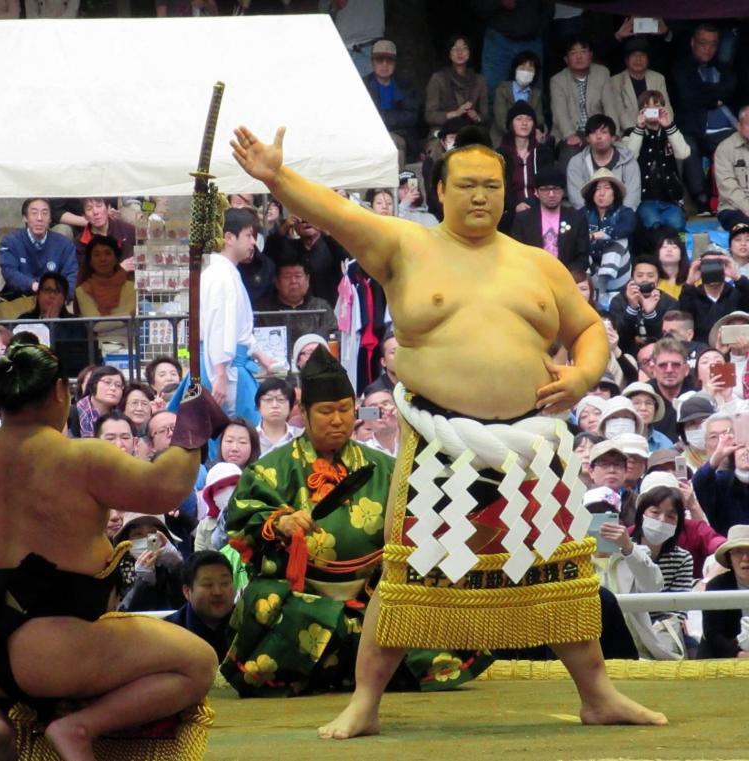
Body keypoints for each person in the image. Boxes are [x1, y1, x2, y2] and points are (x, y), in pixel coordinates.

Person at [230, 123, 665, 737]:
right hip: (440, 446)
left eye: (492, 184)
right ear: (439, 190)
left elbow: (589, 329)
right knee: (406, 576)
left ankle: (597, 694)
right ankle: (365, 703)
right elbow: (334, 213)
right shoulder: (404, 247)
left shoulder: (537, 265)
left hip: (529, 445)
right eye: (466, 185)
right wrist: (277, 177)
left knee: (559, 570)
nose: (480, 195)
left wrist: (582, 374)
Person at [0, 343, 228, 761]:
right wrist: (191, 423)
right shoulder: (78, 456)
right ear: (58, 393)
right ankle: (78, 728)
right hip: (58, 652)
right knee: (198, 663)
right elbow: (167, 487)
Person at [222, 346, 490, 697]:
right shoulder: (272, 468)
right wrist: (279, 522)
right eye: (326, 411)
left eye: (345, 410)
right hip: (305, 594)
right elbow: (242, 518)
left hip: (375, 590)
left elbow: (420, 518)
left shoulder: (384, 466)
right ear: (303, 412)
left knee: (430, 585)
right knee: (265, 597)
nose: (337, 420)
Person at [596, 485, 693, 660]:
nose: (662, 520)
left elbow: (653, 585)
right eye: (594, 516)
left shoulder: (635, 552)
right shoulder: (576, 558)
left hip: (645, 644)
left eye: (671, 516)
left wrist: (627, 548)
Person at [201, 207, 275, 419]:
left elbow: (236, 330)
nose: (253, 242)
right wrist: (221, 374)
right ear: (229, 238)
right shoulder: (221, 276)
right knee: (240, 433)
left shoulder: (225, 273)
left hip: (230, 362)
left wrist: (260, 355)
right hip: (225, 366)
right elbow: (219, 327)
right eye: (249, 235)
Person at [672, 24, 737, 217]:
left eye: (713, 44)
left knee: (738, 146)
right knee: (687, 149)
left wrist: (705, 92)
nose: (707, 49)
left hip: (725, 128)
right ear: (693, 43)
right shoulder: (682, 67)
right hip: (693, 128)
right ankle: (701, 200)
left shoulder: (723, 67)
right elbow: (688, 95)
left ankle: (731, 200)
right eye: (703, 43)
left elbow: (731, 87)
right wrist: (715, 97)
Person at [254, 250, 338, 362]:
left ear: (307, 280)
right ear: (277, 282)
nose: (293, 281)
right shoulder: (263, 310)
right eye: (287, 277)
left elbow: (334, 336)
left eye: (298, 276)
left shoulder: (321, 307)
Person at [625, 90, 689, 232]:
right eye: (647, 107)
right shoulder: (631, 132)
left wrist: (668, 125)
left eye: (657, 106)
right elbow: (629, 156)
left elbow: (684, 153)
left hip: (670, 199)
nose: (652, 110)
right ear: (641, 110)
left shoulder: (671, 131)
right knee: (653, 223)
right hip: (643, 199)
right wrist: (640, 128)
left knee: (677, 224)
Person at [508, 165, 589, 271]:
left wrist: (564, 275)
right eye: (545, 190)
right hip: (533, 276)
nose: (551, 194)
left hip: (566, 277)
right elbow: (516, 254)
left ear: (563, 191)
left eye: (555, 189)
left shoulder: (576, 218)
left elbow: (583, 257)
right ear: (536, 192)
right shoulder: (523, 219)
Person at [0, 198, 78, 300]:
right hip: (18, 299)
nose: (39, 218)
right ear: (25, 218)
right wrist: (35, 286)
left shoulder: (64, 244)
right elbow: (9, 272)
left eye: (44, 213)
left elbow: (71, 276)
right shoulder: (11, 242)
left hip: (54, 299)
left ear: (50, 219)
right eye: (34, 213)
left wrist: (61, 295)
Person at [550, 37, 611, 168]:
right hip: (571, 131)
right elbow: (560, 113)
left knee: (616, 151)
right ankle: (568, 189)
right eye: (573, 53)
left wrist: (612, 131)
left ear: (591, 55)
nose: (579, 56)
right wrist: (569, 135)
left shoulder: (602, 73)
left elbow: (610, 105)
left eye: (583, 51)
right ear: (566, 59)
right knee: (570, 154)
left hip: (598, 129)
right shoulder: (557, 80)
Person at [580, 168, 636, 309]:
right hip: (591, 273)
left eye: (607, 188)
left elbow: (627, 228)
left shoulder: (625, 212)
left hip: (618, 273)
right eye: (597, 189)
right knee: (580, 245)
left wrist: (601, 235)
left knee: (619, 240)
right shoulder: (582, 213)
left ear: (615, 193)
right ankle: (597, 289)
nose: (601, 193)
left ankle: (603, 285)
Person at [165, 551, 235, 661]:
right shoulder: (168, 633)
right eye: (208, 585)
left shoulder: (248, 624)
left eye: (225, 583)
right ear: (187, 591)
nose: (218, 592)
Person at [362, 39, 420, 168]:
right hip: (369, 135)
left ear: (395, 63)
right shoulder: (362, 85)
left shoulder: (405, 85)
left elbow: (411, 116)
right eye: (379, 60)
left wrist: (382, 118)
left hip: (400, 135)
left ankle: (396, 186)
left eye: (389, 60)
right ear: (372, 62)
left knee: (393, 145)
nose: (384, 65)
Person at [567, 114, 642, 212]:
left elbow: (633, 195)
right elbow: (576, 197)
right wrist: (592, 216)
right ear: (587, 139)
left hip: (622, 215)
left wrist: (621, 215)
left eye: (604, 132)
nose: (598, 137)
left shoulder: (628, 160)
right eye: (593, 133)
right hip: (588, 216)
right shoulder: (576, 162)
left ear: (613, 137)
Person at [697, 524, 749, 658]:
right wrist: (738, 654)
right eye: (738, 552)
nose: (745, 558)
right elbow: (712, 633)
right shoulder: (716, 586)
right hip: (721, 658)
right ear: (729, 557)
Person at [604, 38, 673, 136]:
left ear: (648, 60)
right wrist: (637, 132)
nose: (638, 59)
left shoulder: (658, 78)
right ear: (626, 60)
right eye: (634, 56)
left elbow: (666, 107)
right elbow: (620, 113)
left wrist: (666, 127)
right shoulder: (616, 81)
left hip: (657, 130)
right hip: (629, 132)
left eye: (642, 55)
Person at [496, 100, 555, 215]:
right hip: (510, 211)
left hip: (540, 209)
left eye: (529, 119)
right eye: (519, 119)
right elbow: (499, 188)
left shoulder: (543, 152)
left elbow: (549, 183)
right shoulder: (501, 155)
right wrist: (514, 207)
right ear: (511, 124)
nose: (524, 123)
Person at [692, 423, 749, 537]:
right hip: (729, 549)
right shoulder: (723, 482)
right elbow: (700, 482)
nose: (747, 451)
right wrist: (718, 455)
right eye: (741, 446)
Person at [424, 34, 488, 134]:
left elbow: (485, 115)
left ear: (470, 53)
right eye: (455, 48)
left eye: (464, 48)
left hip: (471, 130)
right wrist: (456, 113)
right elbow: (430, 116)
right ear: (449, 54)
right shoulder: (437, 79)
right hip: (443, 130)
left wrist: (477, 117)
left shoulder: (479, 80)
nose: (460, 52)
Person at [491, 49, 546, 148]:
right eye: (522, 68)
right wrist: (520, 135)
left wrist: (537, 130)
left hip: (529, 140)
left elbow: (539, 120)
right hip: (502, 138)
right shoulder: (502, 89)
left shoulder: (536, 94)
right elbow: (501, 121)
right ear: (515, 69)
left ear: (535, 74)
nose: (526, 72)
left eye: (530, 69)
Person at [713, 105, 749, 231]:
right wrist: (747, 207)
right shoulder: (725, 148)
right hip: (733, 207)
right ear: (739, 126)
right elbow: (727, 185)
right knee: (744, 227)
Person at [254, 377, 300, 455]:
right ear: (258, 406)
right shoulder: (249, 437)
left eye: (281, 400)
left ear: (291, 406)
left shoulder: (300, 436)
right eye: (268, 400)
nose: (275, 405)